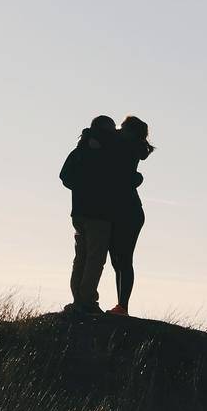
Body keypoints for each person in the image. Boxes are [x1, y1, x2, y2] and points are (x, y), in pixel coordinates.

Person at [59, 116, 121, 312]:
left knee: (81, 256)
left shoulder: (79, 151)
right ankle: (87, 300)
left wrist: (80, 188)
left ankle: (78, 298)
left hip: (78, 210)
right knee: (95, 257)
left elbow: (65, 176)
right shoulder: (107, 152)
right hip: (99, 213)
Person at [107, 115, 154, 316]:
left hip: (128, 212)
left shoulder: (127, 148)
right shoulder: (130, 146)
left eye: (123, 127)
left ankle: (122, 306)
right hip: (125, 210)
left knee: (123, 259)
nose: (119, 130)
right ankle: (121, 305)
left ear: (131, 133)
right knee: (118, 260)